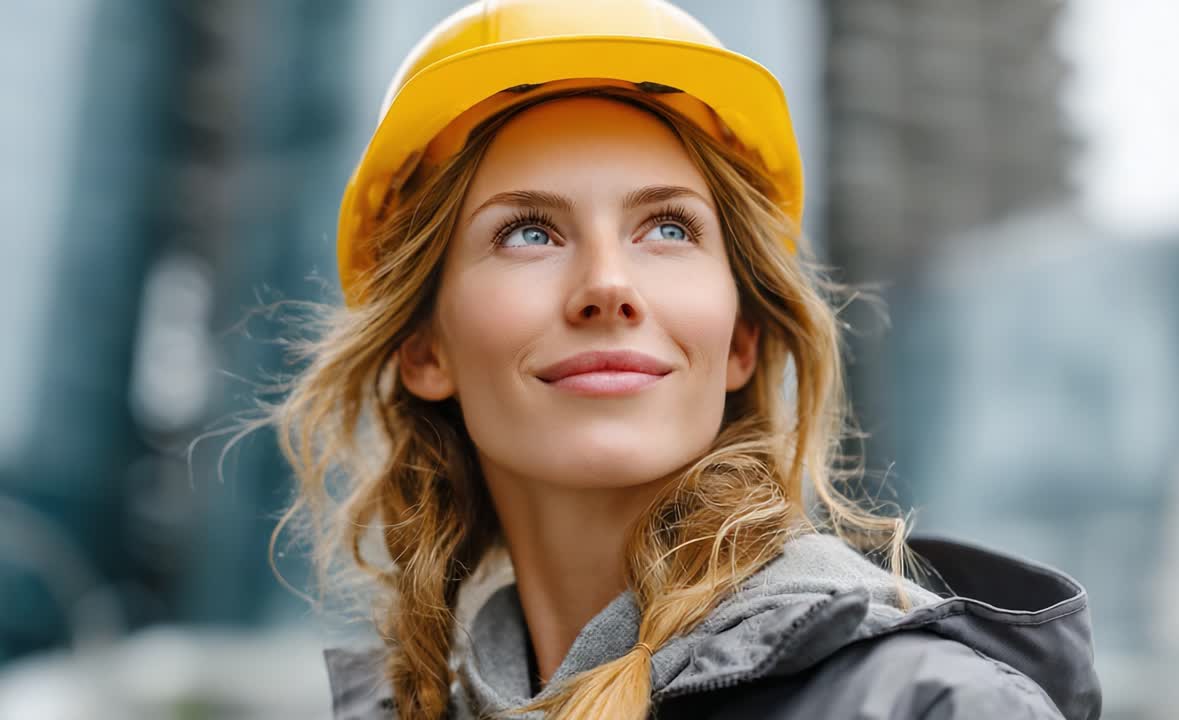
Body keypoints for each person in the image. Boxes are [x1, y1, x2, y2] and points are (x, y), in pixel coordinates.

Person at [274, 1, 1102, 718]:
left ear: (740, 338)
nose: (607, 285)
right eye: (529, 231)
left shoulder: (931, 706)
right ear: (424, 349)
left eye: (667, 229)